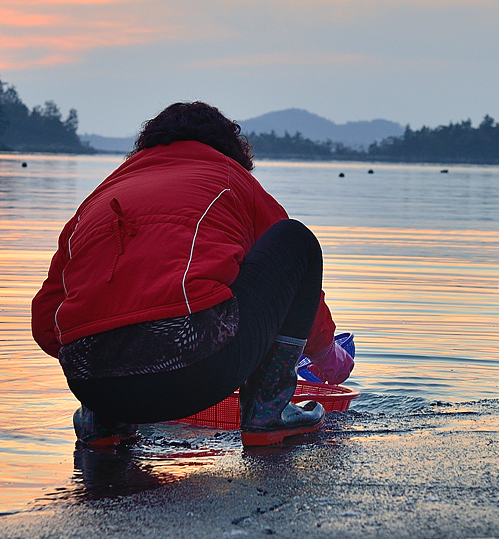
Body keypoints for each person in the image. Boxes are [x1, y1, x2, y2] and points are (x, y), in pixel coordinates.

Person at [31, 101, 352, 447]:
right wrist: (326, 357)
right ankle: (267, 412)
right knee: (297, 239)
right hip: (196, 371)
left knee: (99, 309)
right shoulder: (232, 178)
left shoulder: (98, 198)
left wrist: (109, 361)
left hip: (91, 385)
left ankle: (102, 424)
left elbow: (46, 324)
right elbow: (290, 274)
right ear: (232, 151)